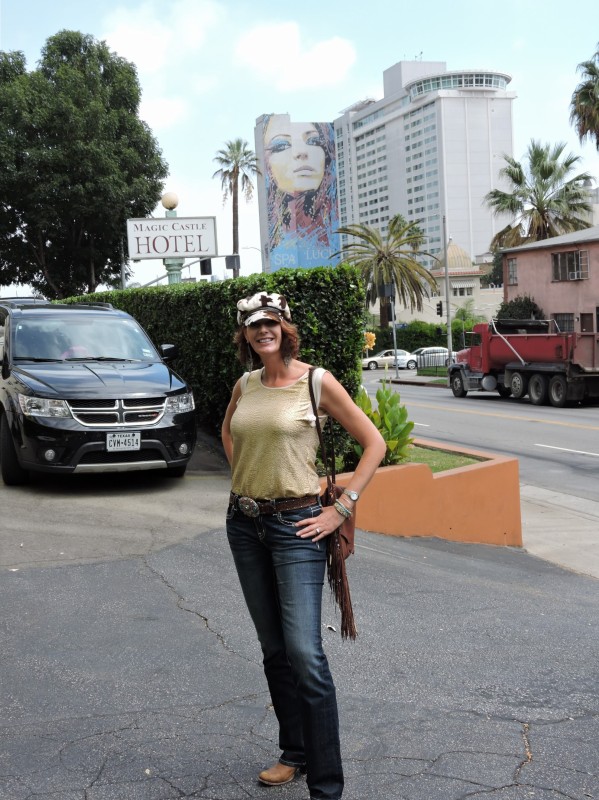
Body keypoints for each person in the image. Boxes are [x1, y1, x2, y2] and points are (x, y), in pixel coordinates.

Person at [221, 291, 385, 800]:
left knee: (304, 653)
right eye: (253, 326)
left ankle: (327, 786)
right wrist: (247, 475)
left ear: (286, 329)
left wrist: (341, 508)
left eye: (270, 323)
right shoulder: (246, 384)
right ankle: (293, 753)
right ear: (246, 336)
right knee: (274, 650)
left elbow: (373, 443)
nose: (262, 331)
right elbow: (228, 431)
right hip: (245, 523)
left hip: (298, 527)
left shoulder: (316, 382)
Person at [263, 115, 339, 256]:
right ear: (267, 165)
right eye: (282, 146)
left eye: (314, 141)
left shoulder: (336, 228)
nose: (301, 152)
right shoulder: (277, 239)